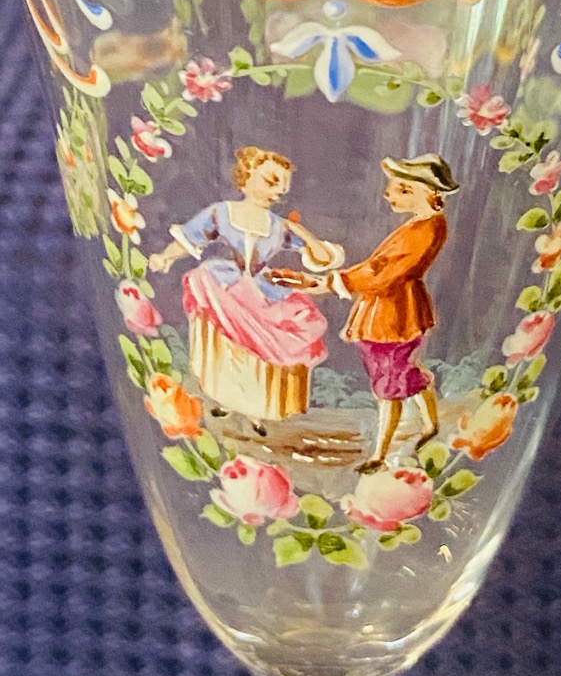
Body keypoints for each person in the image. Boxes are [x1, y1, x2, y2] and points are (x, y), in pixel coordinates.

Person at [274, 153, 458, 473]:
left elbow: (381, 274)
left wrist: (326, 282)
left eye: (402, 189)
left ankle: (380, 455)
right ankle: (431, 425)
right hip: (390, 311)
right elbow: (376, 268)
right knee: (402, 375)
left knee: (388, 386)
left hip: (394, 316)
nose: (388, 194)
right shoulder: (420, 225)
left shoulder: (425, 231)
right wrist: (324, 282)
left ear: (431, 193)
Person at [149, 146, 344, 431]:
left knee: (270, 342)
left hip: (263, 288)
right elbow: (190, 239)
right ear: (247, 175)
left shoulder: (278, 227)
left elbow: (324, 258)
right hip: (227, 285)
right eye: (271, 181)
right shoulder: (222, 213)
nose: (277, 191)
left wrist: (301, 232)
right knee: (232, 348)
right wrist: (166, 256)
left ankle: (256, 409)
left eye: (282, 187)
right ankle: (228, 400)